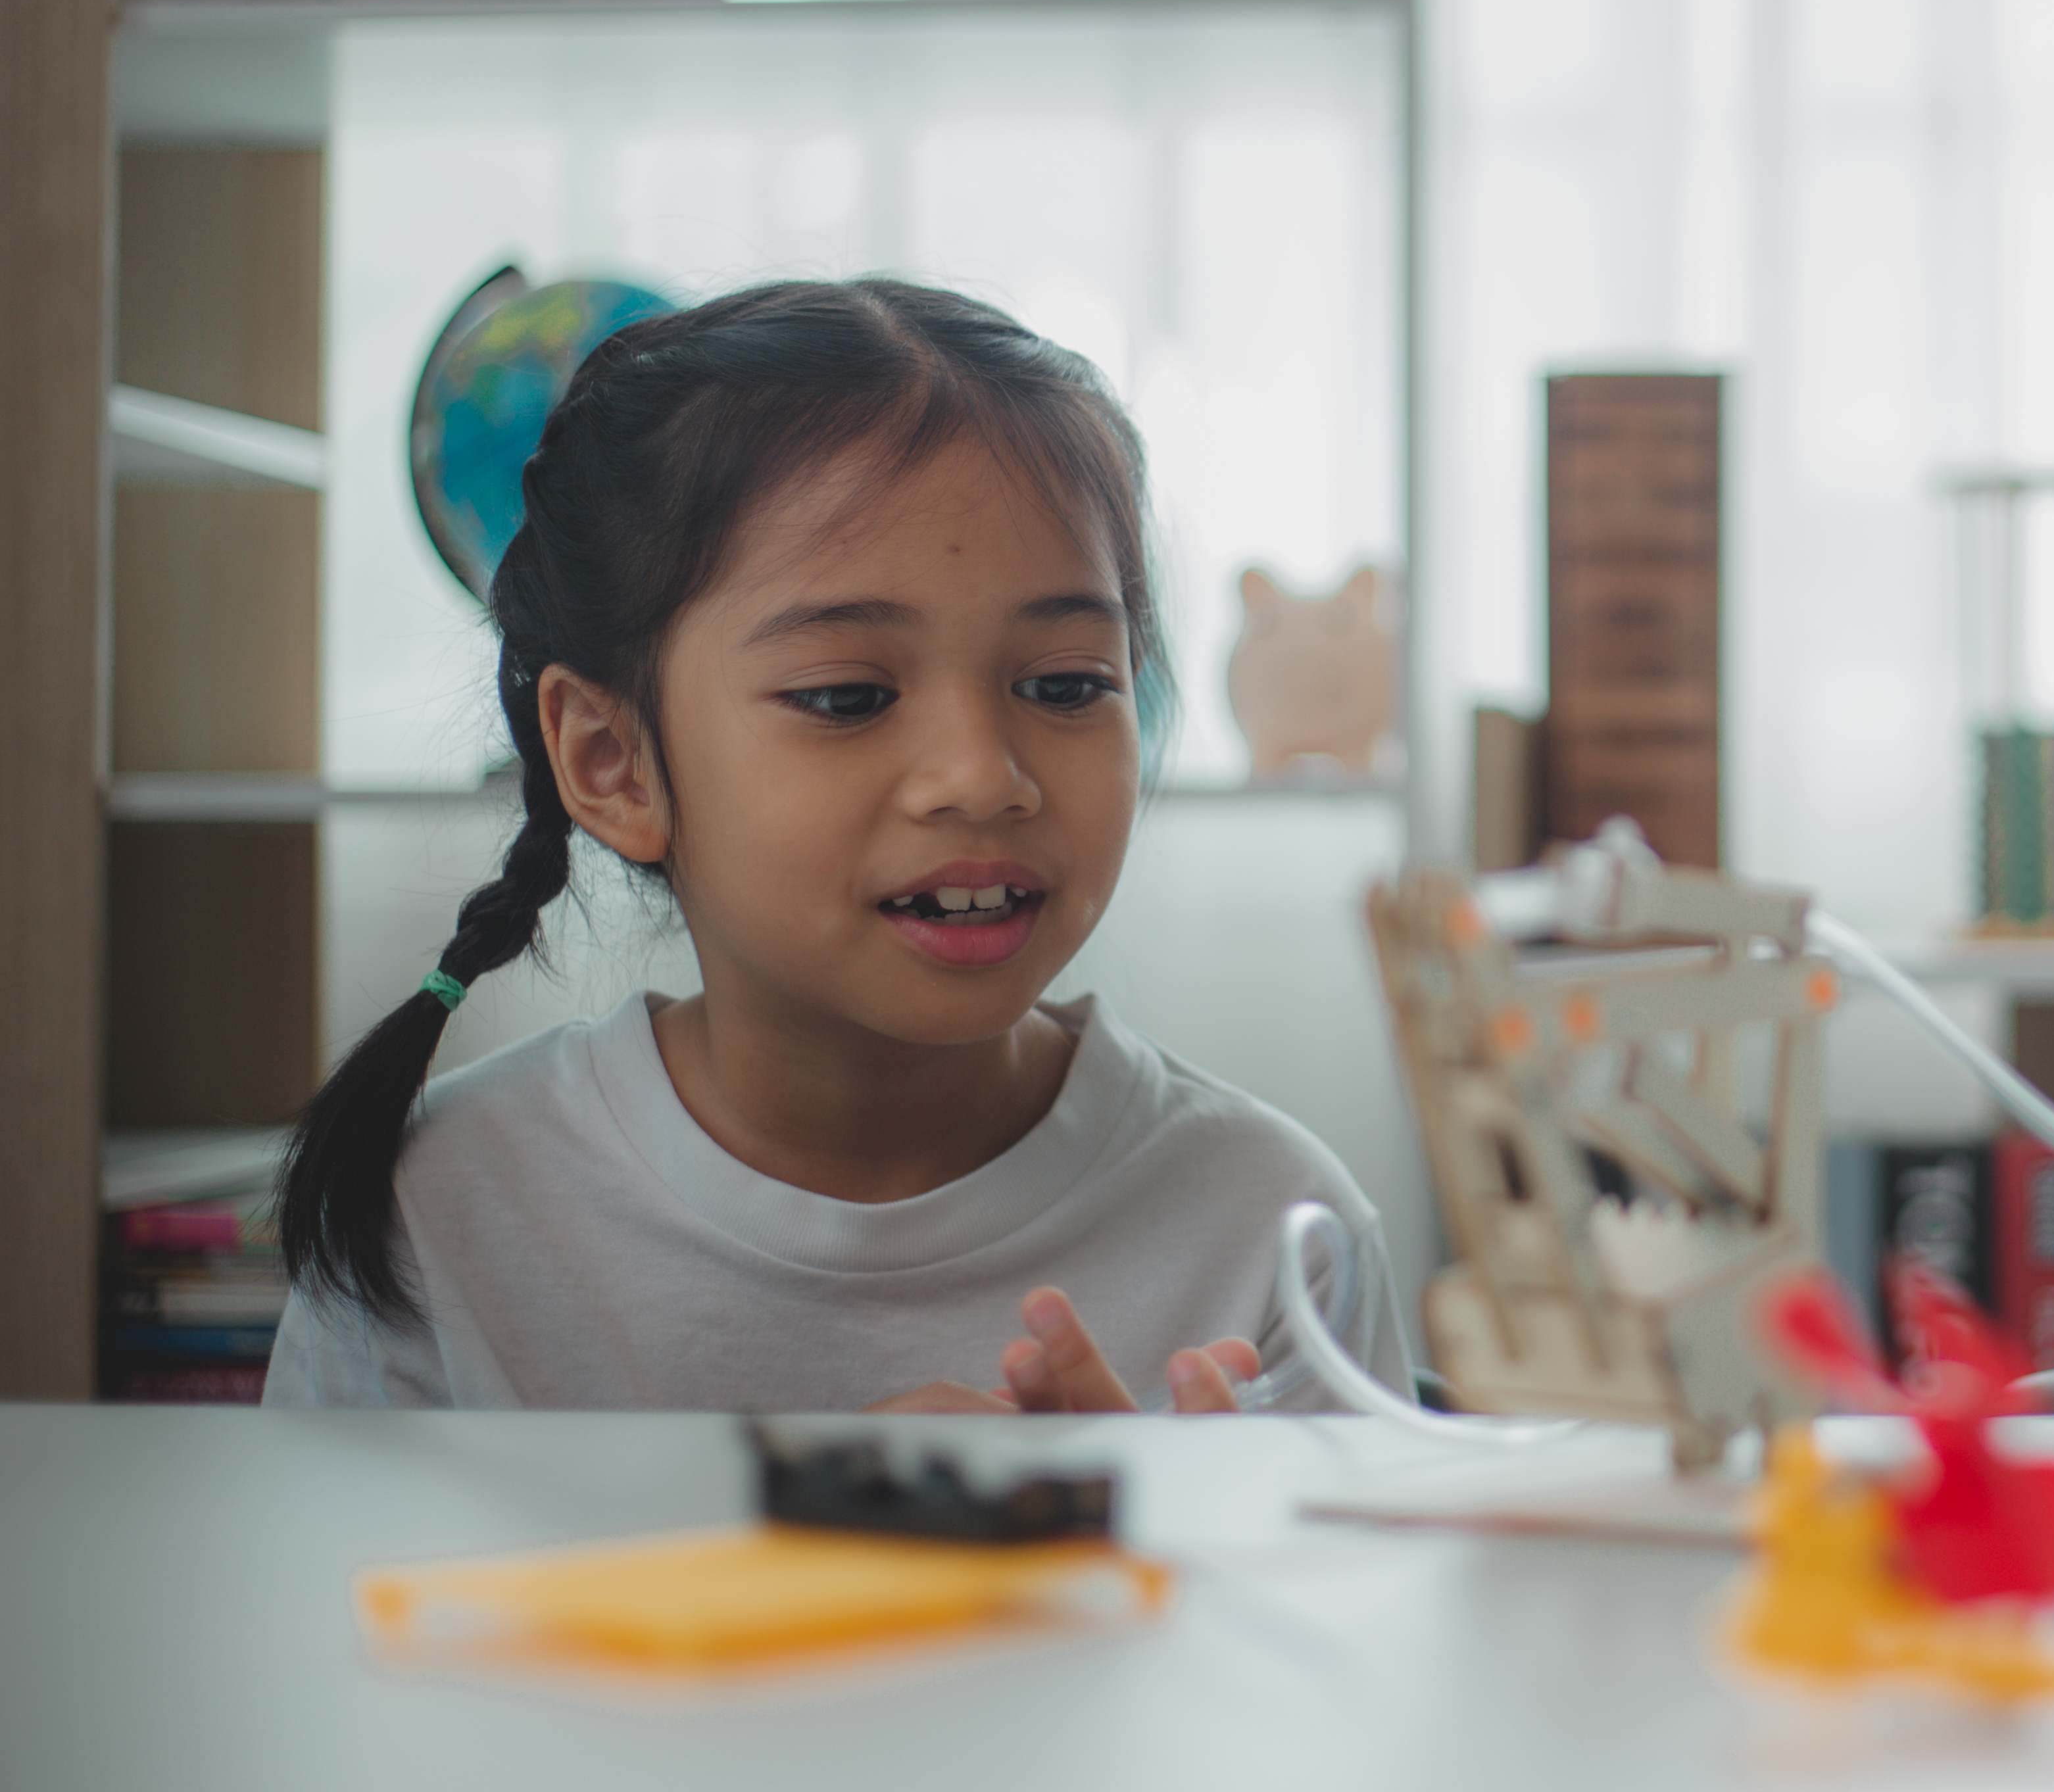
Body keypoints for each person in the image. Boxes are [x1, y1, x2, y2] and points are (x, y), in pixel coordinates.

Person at [265, 279, 1409, 1412]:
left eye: (1066, 685)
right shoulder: (434, 1218)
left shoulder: (1278, 1239)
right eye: (848, 697)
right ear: (613, 762)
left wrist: (1176, 1530)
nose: (982, 778)